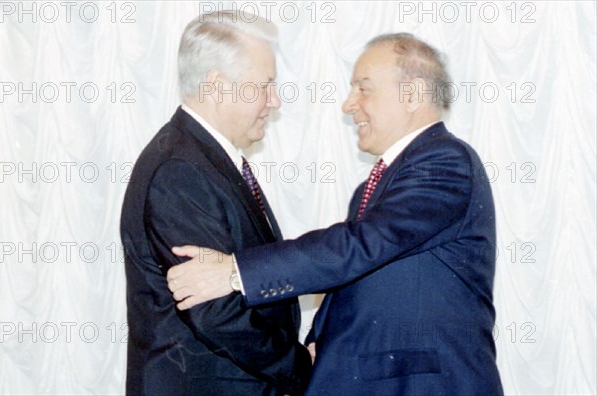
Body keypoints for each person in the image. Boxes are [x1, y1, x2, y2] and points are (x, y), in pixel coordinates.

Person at [168, 33, 503, 395]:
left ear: (413, 94)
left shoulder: (444, 162)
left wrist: (236, 273)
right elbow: (352, 272)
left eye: (364, 88)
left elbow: (360, 246)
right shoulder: (380, 183)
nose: (349, 104)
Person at [120, 11, 312, 396]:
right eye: (265, 85)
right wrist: (300, 366)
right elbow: (214, 312)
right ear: (219, 86)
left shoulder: (202, 157)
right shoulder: (180, 170)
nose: (274, 101)